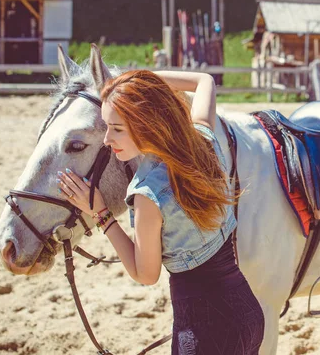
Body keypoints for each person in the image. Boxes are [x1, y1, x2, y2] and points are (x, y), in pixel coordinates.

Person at [56, 70, 265, 354]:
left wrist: (101, 214)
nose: (107, 139)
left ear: (147, 125)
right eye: (106, 126)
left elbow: (145, 274)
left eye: (117, 128)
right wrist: (139, 82)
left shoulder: (147, 194)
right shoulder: (203, 141)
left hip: (203, 331)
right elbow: (204, 81)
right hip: (247, 314)